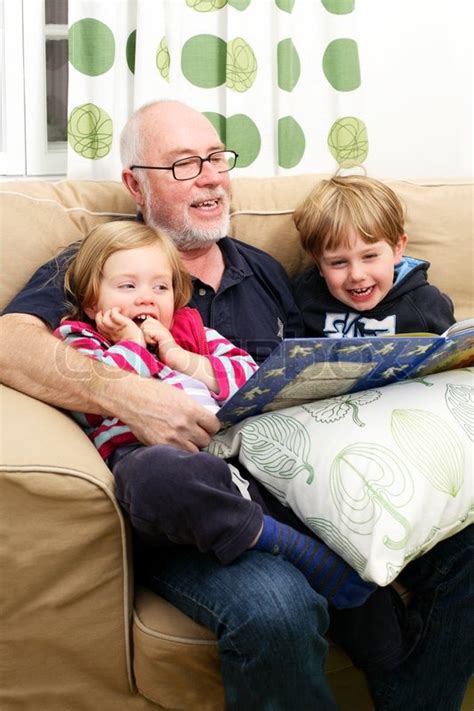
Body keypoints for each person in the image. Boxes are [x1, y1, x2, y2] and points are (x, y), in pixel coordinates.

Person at [1, 100, 472, 711]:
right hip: (189, 511)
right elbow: (10, 341)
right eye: (184, 164)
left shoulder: (267, 273)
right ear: (134, 184)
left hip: (295, 485)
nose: (211, 176)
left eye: (217, 158)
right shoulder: (101, 260)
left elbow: (315, 366)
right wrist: (129, 392)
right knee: (279, 608)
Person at [54, 218, 374, 611]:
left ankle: (381, 639)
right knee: (151, 475)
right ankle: (272, 536)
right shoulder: (79, 340)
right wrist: (133, 344)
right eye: (127, 286)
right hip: (152, 465)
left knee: (302, 474)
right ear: (91, 301)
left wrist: (182, 357)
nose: (146, 298)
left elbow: (250, 376)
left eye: (160, 286)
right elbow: (93, 400)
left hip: (230, 461)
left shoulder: (193, 334)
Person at [292, 174, 455, 337]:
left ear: (397, 248)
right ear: (319, 264)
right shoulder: (302, 297)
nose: (356, 275)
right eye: (338, 262)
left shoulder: (426, 303)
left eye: (369, 256)